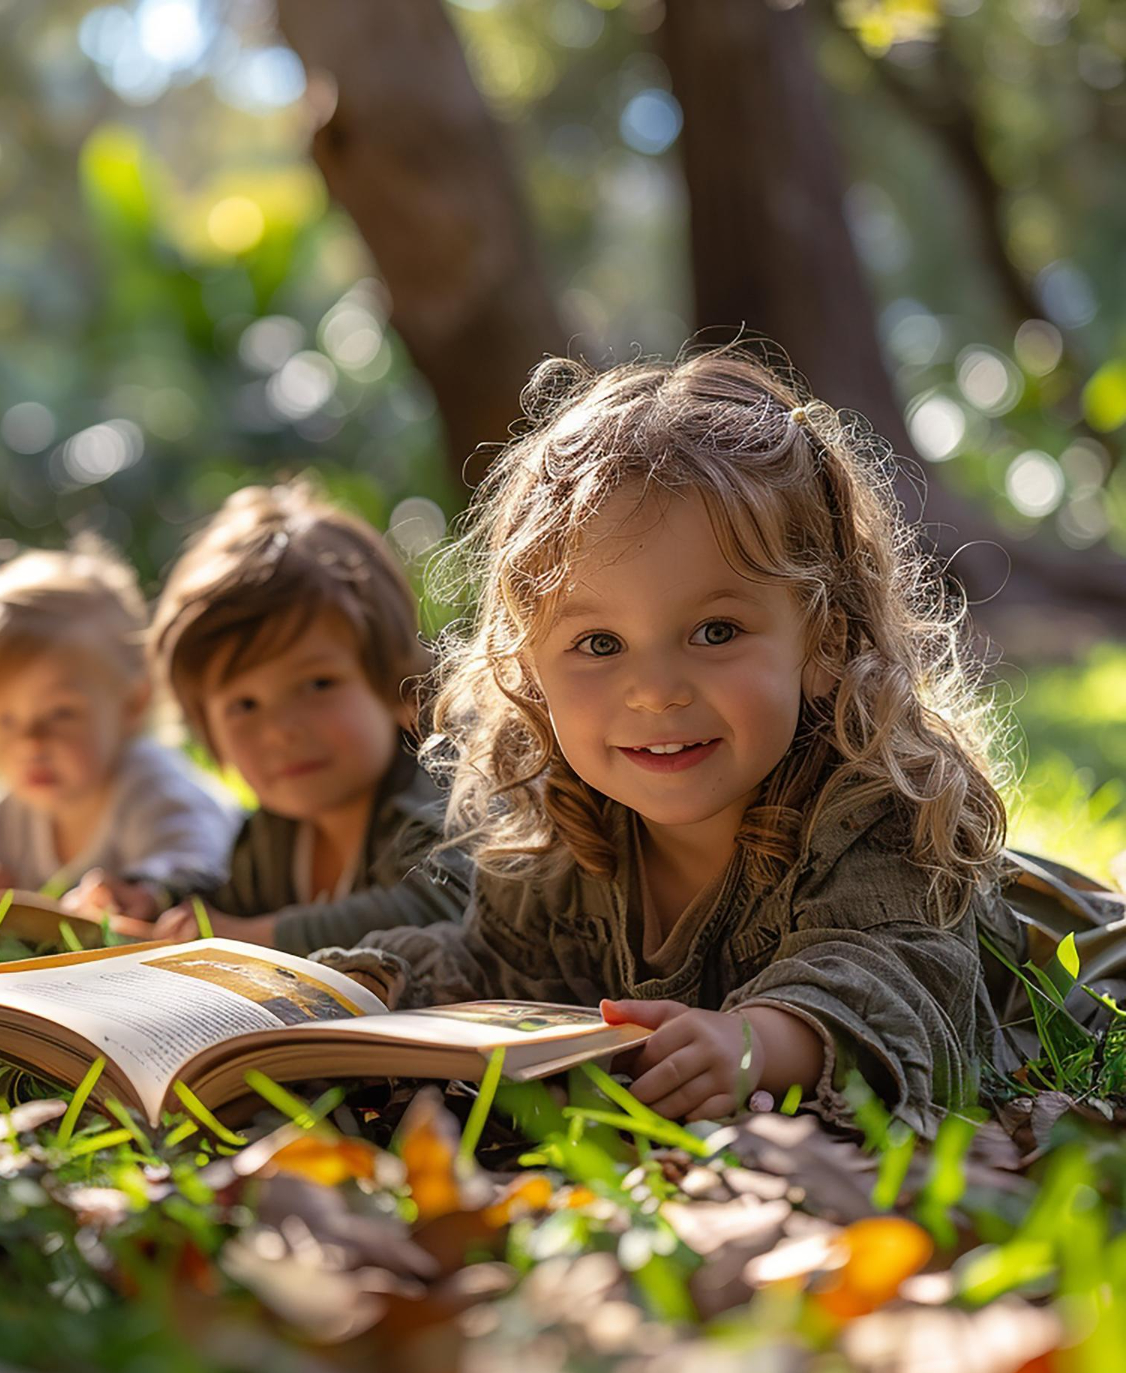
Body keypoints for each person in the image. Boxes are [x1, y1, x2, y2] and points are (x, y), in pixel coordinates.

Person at [317, 348, 1096, 1139]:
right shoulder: (563, 828)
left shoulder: (874, 808)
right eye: (599, 644)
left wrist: (759, 1041)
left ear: (825, 641)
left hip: (1089, 964)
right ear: (531, 670)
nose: (656, 690)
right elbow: (497, 965)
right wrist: (366, 984)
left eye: (714, 631)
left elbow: (893, 981)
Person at [68, 481, 468, 956]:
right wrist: (154, 901)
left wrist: (248, 939)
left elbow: (438, 904)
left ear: (398, 686)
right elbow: (233, 903)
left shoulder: (437, 797)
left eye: (318, 684)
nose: (281, 729)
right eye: (244, 706)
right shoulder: (274, 835)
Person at [0, 540, 235, 896]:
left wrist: (145, 895)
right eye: (5, 721)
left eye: (61, 714)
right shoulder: (7, 812)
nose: (31, 742)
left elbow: (195, 868)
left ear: (133, 703)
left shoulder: (154, 790)